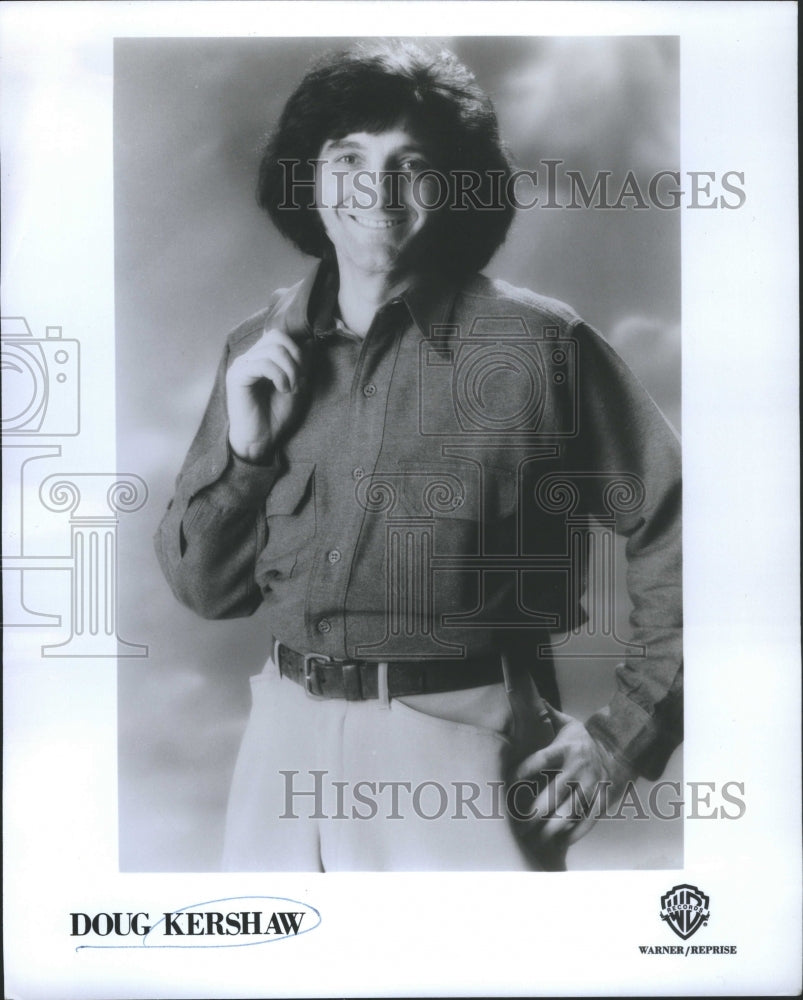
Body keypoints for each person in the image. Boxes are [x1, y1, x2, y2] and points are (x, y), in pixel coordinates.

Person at [154, 40, 682, 872]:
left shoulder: (539, 346)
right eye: (349, 156)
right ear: (309, 176)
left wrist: (623, 739)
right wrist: (248, 455)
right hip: (281, 743)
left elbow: (686, 529)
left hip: (463, 747)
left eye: (413, 162)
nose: (377, 187)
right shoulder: (256, 349)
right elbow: (205, 591)